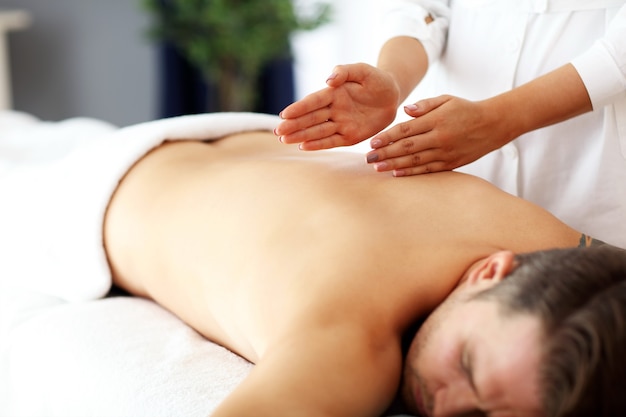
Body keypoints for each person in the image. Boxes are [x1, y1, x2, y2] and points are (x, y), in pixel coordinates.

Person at [102, 127, 626, 417]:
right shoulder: (349, 343)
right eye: (465, 364)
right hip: (97, 194)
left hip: (246, 130)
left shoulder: (552, 249)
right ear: (490, 272)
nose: (446, 409)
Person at [274, 1, 626, 249]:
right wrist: (394, 80)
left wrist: (500, 119)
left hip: (596, 165)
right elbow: (421, 8)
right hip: (461, 155)